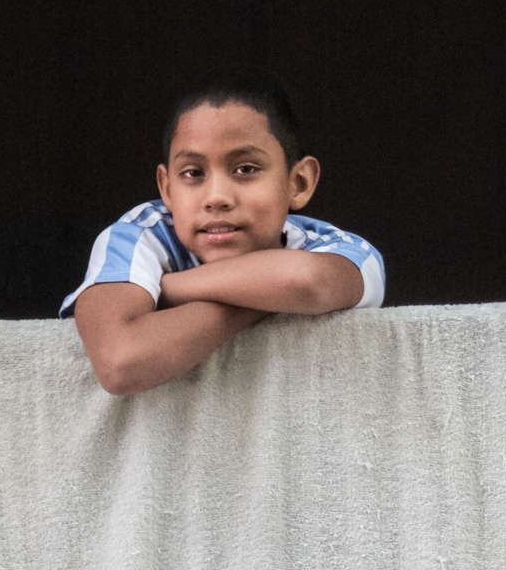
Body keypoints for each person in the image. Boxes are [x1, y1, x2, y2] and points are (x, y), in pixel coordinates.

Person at [62, 68, 384, 395]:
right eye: (193, 173)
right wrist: (267, 299)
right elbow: (121, 363)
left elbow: (305, 282)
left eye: (246, 169)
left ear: (298, 183)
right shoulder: (138, 234)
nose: (216, 197)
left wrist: (169, 289)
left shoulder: (341, 248)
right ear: (167, 188)